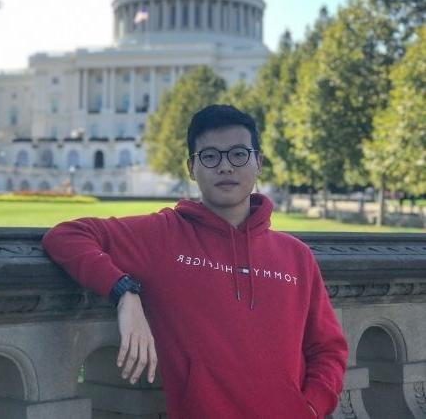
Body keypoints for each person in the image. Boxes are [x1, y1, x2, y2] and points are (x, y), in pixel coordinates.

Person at [42, 104, 348, 419]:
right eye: (210, 156)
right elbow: (67, 236)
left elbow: (328, 349)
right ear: (192, 168)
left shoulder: (296, 255)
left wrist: (310, 408)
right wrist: (124, 292)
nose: (226, 167)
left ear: (258, 163)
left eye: (239, 154)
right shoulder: (162, 235)